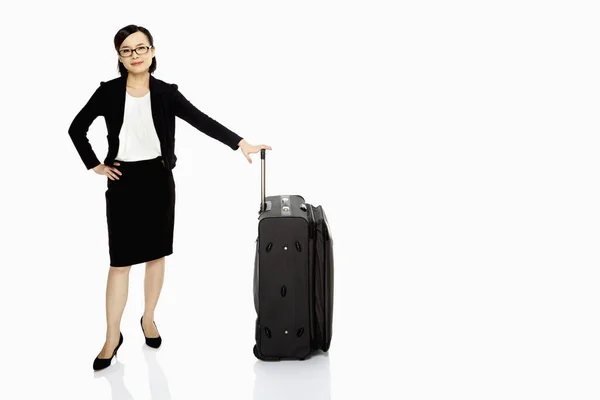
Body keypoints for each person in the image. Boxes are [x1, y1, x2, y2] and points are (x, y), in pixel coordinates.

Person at [67, 24, 271, 371]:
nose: (135, 55)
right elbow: (76, 128)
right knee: (120, 263)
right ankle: (111, 336)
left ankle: (148, 318)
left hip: (158, 180)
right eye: (127, 50)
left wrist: (240, 143)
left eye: (141, 48)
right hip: (123, 182)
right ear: (119, 56)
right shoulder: (108, 92)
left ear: (153, 51)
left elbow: (201, 120)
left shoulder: (165, 93)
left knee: (156, 255)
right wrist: (95, 165)